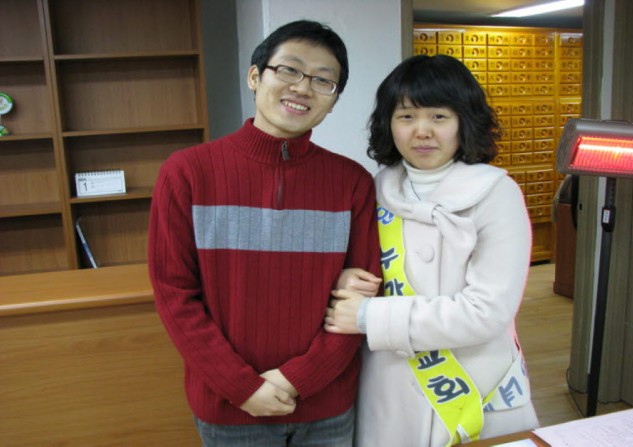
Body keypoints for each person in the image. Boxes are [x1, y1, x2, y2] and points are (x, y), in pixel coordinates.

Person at [148, 20, 380, 447]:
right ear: (255, 76)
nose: (302, 88)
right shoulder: (187, 173)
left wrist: (298, 379)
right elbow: (174, 295)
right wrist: (242, 387)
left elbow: (360, 302)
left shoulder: (353, 182)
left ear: (333, 101)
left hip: (327, 407)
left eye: (323, 80)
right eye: (289, 70)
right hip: (231, 408)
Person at [324, 54, 540, 446]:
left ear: (463, 121)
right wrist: (347, 277)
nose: (422, 131)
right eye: (406, 117)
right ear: (389, 124)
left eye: (438, 116)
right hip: (389, 383)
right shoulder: (376, 189)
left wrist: (370, 315)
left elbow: (487, 311)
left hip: (471, 383)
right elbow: (357, 270)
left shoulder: (496, 193)